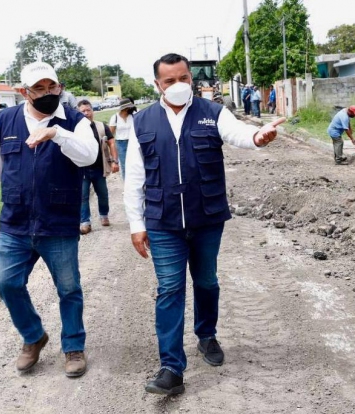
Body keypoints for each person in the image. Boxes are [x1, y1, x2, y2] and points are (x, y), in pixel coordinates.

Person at [123, 53, 285, 396]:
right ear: (158, 85)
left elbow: (239, 133)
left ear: (191, 79)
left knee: (207, 280)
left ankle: (206, 335)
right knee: (169, 289)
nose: (178, 85)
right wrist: (136, 223)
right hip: (163, 221)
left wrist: (258, 137)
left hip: (207, 218)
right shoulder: (142, 122)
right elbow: (134, 177)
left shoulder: (213, 112)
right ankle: (171, 367)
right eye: (170, 81)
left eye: (184, 78)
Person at [0, 61, 98, 377]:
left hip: (58, 223)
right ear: (25, 92)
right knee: (6, 282)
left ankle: (73, 347)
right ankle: (33, 336)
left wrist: (57, 134)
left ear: (59, 86)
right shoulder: (6, 121)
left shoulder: (75, 121)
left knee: (68, 289)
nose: (48, 93)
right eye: (39, 88)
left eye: (52, 86)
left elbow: (89, 156)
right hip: (16, 222)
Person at [77, 99, 119, 235]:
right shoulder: (75, 128)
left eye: (88, 110)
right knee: (82, 196)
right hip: (81, 169)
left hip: (99, 167)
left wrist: (114, 161)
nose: (86, 113)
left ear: (92, 111)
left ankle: (104, 215)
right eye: (82, 111)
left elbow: (111, 143)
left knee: (103, 194)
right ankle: (85, 222)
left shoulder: (101, 126)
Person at [109, 98, 135, 179]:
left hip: (133, 142)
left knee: (135, 164)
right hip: (121, 144)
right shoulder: (115, 117)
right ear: (125, 108)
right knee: (125, 165)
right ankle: (127, 186)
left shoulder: (133, 116)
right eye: (129, 107)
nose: (131, 108)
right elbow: (110, 134)